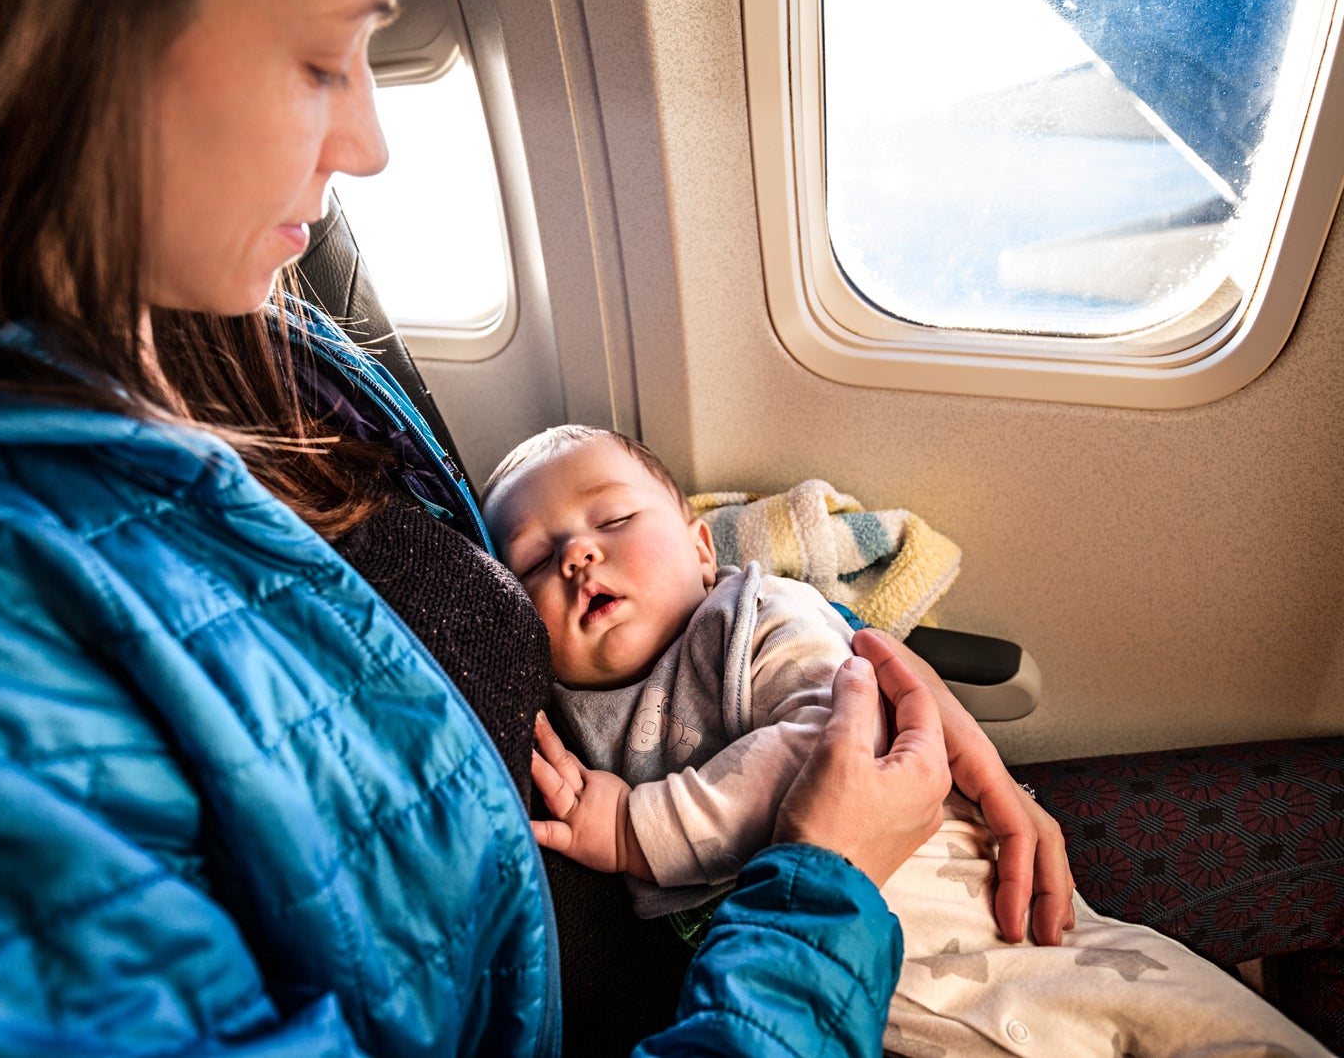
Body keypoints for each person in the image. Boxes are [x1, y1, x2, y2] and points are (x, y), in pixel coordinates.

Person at [0, 0, 987, 1055]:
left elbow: (635, 575)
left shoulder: (252, 327)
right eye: (321, 57)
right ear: (53, 64)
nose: (369, 140)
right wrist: (822, 890)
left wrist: (871, 686)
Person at [482, 423, 1332, 1058]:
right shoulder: (570, 724)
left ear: (704, 549)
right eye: (532, 558)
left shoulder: (752, 619)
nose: (578, 555)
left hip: (1009, 942)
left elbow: (824, 744)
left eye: (614, 518)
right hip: (876, 1005)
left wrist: (637, 826)